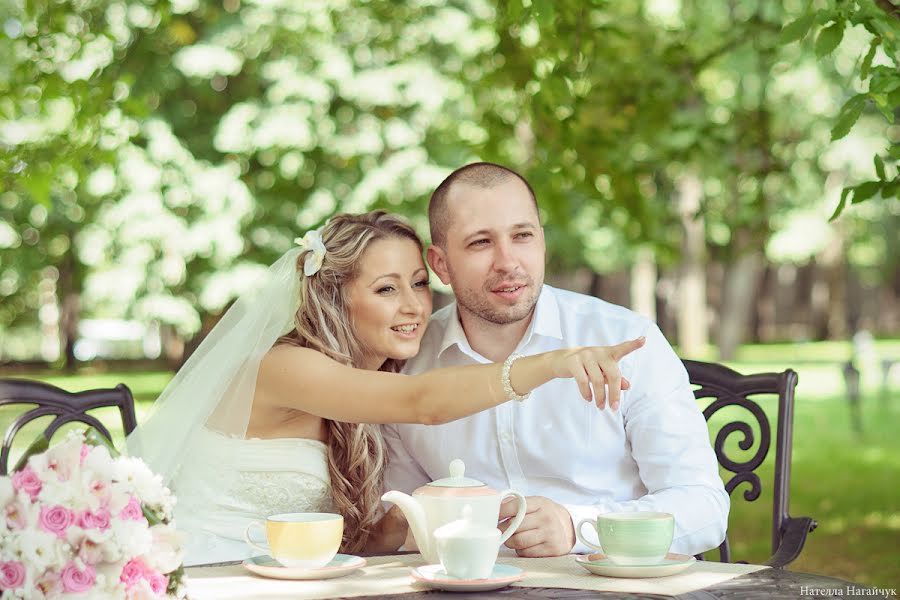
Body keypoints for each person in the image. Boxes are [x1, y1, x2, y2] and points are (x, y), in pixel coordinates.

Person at [126, 210, 645, 566]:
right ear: (335, 298)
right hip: (207, 571)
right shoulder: (286, 367)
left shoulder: (372, 380)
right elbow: (425, 405)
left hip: (297, 577)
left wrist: (408, 518)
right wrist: (551, 363)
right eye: (386, 289)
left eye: (419, 283)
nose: (415, 306)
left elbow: (361, 542)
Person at [382, 163, 730, 558]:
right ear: (441, 264)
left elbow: (703, 507)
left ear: (542, 242)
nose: (507, 261)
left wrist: (579, 527)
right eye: (481, 242)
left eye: (522, 236)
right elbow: (395, 518)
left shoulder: (627, 340)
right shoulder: (408, 366)